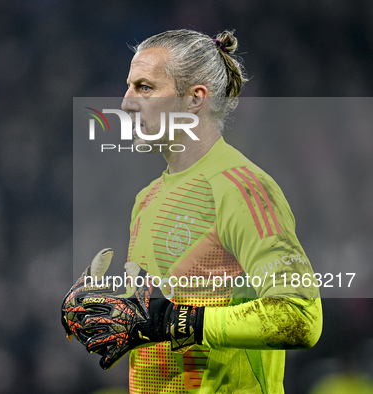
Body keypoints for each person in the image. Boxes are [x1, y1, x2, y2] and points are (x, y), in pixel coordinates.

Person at [62, 29, 322, 393]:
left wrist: (174, 320)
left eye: (145, 87)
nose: (126, 103)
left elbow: (300, 317)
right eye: (129, 86)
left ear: (195, 98)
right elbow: (163, 316)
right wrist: (111, 313)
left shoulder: (242, 188)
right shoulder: (147, 199)